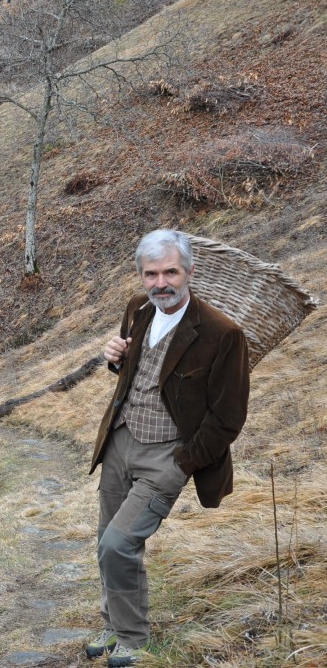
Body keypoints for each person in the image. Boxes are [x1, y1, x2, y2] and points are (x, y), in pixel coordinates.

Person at [85, 229, 250, 666]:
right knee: (107, 540)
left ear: (190, 271)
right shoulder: (137, 310)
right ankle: (114, 624)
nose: (162, 283)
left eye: (171, 272)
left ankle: (133, 640)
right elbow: (133, 376)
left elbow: (229, 417)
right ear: (141, 276)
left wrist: (183, 463)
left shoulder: (222, 333)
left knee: (119, 543)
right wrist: (115, 360)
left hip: (167, 456)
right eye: (151, 273)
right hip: (120, 442)